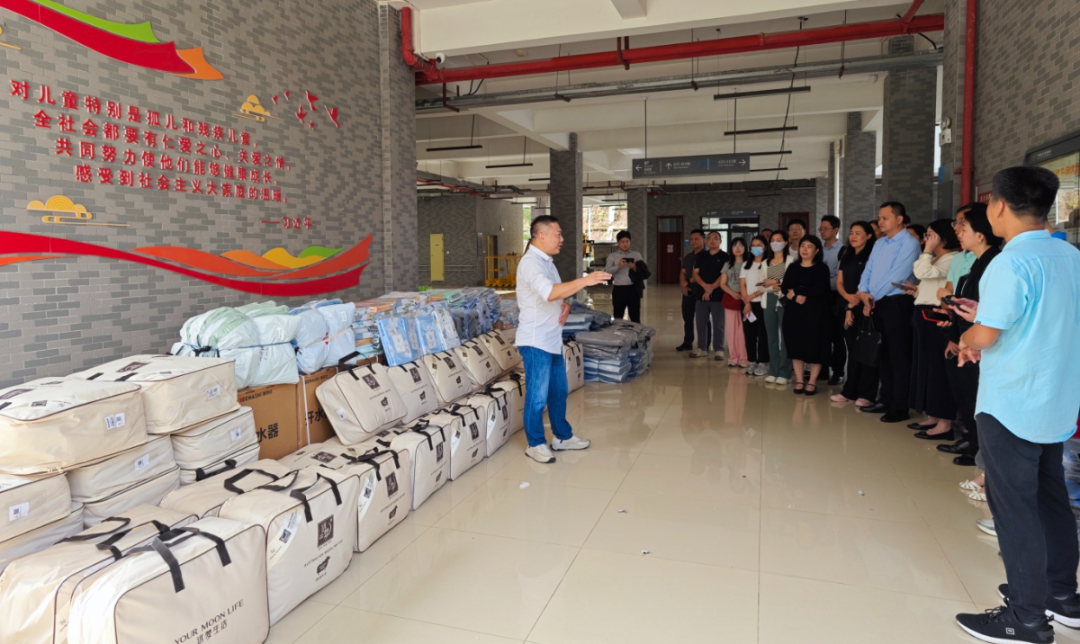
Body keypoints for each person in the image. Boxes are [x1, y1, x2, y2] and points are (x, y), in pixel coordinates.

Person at [953, 166, 1080, 644]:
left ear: (1000, 206)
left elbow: (986, 336)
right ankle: (1062, 596)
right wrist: (984, 320)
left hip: (1012, 401)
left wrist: (968, 336)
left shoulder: (1010, 262)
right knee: (1051, 499)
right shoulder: (1071, 255)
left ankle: (1025, 618)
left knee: (1014, 508)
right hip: (1056, 398)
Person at [516, 215, 612, 464]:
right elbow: (548, 292)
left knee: (558, 391)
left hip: (551, 338)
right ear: (541, 236)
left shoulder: (547, 262)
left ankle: (562, 437)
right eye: (557, 234)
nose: (562, 239)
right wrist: (585, 280)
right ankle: (535, 443)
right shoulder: (530, 263)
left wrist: (566, 303)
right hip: (535, 341)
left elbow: (556, 293)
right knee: (537, 397)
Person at [935, 208, 1002, 467]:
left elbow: (987, 312)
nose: (958, 232)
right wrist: (951, 328)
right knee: (966, 396)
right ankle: (975, 447)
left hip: (979, 344)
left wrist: (949, 302)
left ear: (981, 234)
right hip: (965, 338)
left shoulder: (994, 263)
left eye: (964, 227)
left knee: (975, 399)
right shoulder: (976, 262)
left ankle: (980, 454)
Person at [856, 202, 922, 423]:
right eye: (880, 218)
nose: (880, 221)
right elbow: (868, 270)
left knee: (898, 356)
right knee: (883, 354)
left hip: (897, 303)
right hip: (876, 302)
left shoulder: (909, 243)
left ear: (899, 219)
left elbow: (897, 276)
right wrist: (863, 292)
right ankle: (885, 398)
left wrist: (870, 298)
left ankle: (900, 406)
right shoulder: (879, 243)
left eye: (885, 218)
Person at [908, 219, 961, 440]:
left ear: (943, 237)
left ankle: (945, 422)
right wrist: (916, 291)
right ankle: (933, 413)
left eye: (930, 235)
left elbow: (922, 272)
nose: (926, 239)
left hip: (937, 316)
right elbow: (926, 280)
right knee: (926, 366)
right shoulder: (937, 259)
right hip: (923, 313)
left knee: (938, 368)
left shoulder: (952, 258)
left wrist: (927, 250)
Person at [831, 221, 878, 406]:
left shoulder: (872, 255)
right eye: (851, 233)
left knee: (866, 349)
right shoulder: (847, 255)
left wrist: (853, 303)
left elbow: (869, 281)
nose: (853, 236)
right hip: (847, 304)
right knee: (853, 350)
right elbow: (839, 282)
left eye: (858, 233)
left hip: (864, 306)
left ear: (868, 236)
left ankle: (866, 394)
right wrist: (847, 300)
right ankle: (850, 391)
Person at [781, 235, 832, 395]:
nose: (805, 249)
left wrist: (797, 290)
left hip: (816, 313)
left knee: (815, 345)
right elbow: (785, 287)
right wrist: (795, 296)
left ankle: (812, 381)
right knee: (795, 345)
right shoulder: (793, 267)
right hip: (794, 311)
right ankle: (799, 380)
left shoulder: (822, 268)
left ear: (816, 250)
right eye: (803, 246)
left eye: (810, 246)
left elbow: (821, 289)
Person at [761, 231, 794, 384]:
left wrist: (775, 282)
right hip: (769, 299)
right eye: (772, 240)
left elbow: (791, 282)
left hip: (785, 300)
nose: (775, 243)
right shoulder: (765, 263)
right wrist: (771, 286)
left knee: (786, 336)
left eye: (779, 240)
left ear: (786, 242)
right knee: (771, 336)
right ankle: (773, 370)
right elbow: (761, 285)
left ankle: (785, 372)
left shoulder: (791, 261)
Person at [690, 231, 729, 360]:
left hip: (718, 295)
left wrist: (711, 288)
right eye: (710, 238)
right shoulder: (701, 256)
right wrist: (704, 286)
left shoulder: (725, 257)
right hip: (701, 294)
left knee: (718, 323)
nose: (712, 241)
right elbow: (695, 273)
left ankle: (719, 349)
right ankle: (702, 348)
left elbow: (724, 275)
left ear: (720, 241)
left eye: (715, 238)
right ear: (706, 241)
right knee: (701, 322)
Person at [819, 215, 846, 385]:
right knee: (821, 334)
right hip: (819, 297)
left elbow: (840, 278)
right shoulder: (818, 250)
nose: (822, 231)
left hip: (835, 296)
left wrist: (820, 283)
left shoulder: (843, 250)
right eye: (821, 228)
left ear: (836, 230)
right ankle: (822, 369)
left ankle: (838, 371)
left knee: (837, 336)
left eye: (826, 228)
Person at [740, 235, 771, 376]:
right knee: (749, 334)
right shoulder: (746, 265)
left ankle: (764, 362)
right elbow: (743, 285)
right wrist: (747, 302)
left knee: (763, 334)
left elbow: (767, 285)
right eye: (753, 245)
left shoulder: (768, 264)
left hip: (763, 303)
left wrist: (752, 296)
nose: (756, 248)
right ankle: (752, 360)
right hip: (748, 304)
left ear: (765, 247)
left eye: (759, 245)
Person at [719, 238, 749, 369]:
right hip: (731, 300)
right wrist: (732, 293)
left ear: (745, 248)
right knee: (731, 331)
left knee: (743, 331)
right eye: (735, 245)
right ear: (731, 248)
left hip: (746, 300)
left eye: (741, 245)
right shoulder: (727, 264)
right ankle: (733, 357)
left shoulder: (749, 264)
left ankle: (744, 358)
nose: (737, 248)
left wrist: (745, 296)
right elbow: (722, 284)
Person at [604, 230, 643, 323]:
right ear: (618, 243)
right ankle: (618, 332)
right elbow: (607, 271)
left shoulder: (636, 255)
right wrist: (618, 266)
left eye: (627, 241)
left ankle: (636, 332)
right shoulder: (612, 256)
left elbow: (643, 272)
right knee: (618, 317)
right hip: (619, 289)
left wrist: (634, 267)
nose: (625, 244)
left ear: (630, 242)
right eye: (622, 242)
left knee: (635, 317)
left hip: (633, 289)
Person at [677, 230, 706, 351]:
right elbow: (683, 272)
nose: (693, 241)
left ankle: (705, 344)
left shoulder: (706, 256)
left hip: (701, 292)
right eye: (692, 239)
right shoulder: (688, 257)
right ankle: (687, 342)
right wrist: (683, 286)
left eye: (696, 239)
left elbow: (702, 274)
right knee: (687, 319)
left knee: (703, 320)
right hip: (687, 292)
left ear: (703, 240)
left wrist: (687, 282)